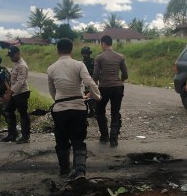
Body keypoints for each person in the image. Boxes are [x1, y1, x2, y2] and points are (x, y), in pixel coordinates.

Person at [48, 39, 101, 180]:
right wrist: (97, 96)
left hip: (60, 110)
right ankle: (79, 171)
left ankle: (64, 170)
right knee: (78, 140)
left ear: (58, 50)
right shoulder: (79, 64)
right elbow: (89, 82)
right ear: (71, 51)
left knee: (61, 141)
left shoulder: (51, 68)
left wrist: (59, 102)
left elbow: (52, 91)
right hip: (78, 108)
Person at [92, 35, 128, 148]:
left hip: (104, 88)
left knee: (100, 111)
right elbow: (125, 74)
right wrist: (119, 81)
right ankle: (114, 139)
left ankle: (104, 136)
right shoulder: (120, 57)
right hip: (118, 88)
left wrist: (94, 86)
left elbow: (95, 75)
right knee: (115, 112)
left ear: (103, 44)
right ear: (111, 43)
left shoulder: (99, 57)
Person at [1, 45, 31, 144]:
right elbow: (13, 80)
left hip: (21, 93)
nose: (11, 58)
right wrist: (9, 90)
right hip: (14, 93)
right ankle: (12, 134)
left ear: (18, 54)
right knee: (8, 111)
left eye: (12, 56)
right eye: (10, 56)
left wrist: (10, 93)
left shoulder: (22, 65)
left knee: (23, 114)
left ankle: (25, 136)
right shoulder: (16, 64)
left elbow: (20, 82)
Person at [80, 46, 97, 118]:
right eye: (84, 54)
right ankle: (93, 111)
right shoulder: (93, 61)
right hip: (90, 81)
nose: (85, 55)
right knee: (91, 95)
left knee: (89, 96)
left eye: (85, 54)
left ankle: (93, 111)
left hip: (91, 80)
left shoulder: (84, 62)